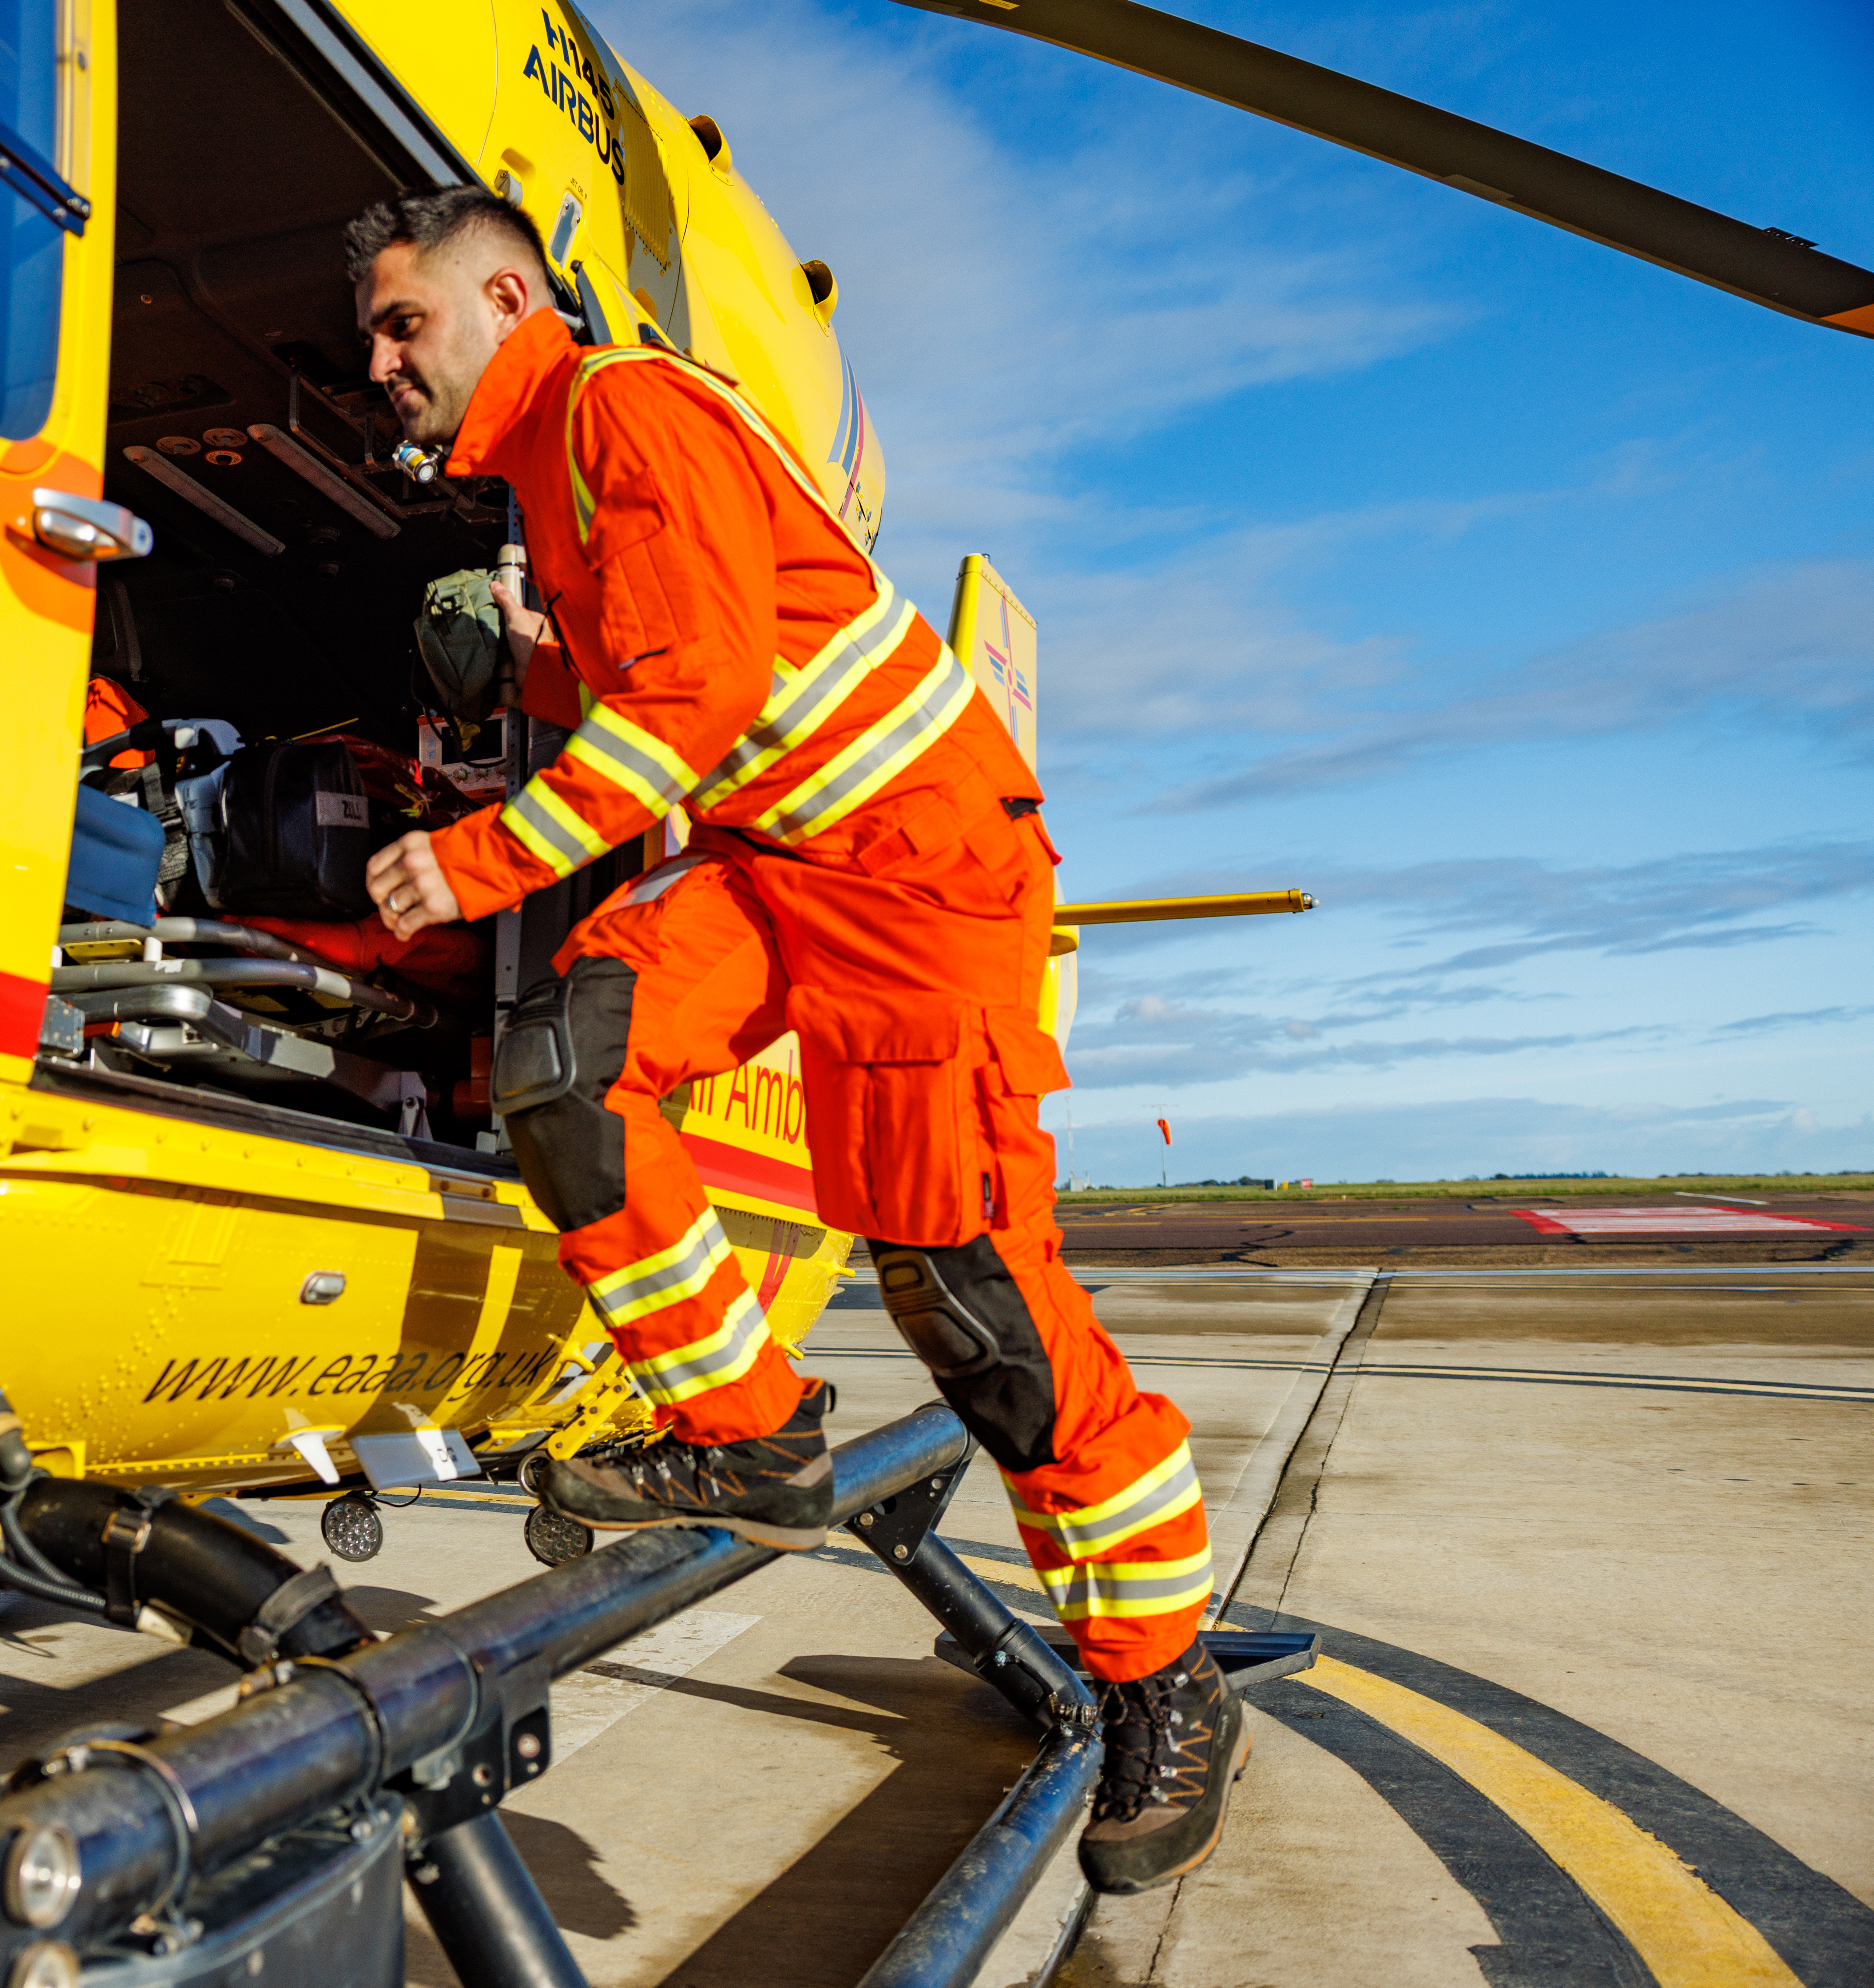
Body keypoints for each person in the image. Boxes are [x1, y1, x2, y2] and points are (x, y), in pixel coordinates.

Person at [342, 188, 1243, 1895]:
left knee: (970, 1300)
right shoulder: (536, 486)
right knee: (564, 1073)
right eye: (372, 337)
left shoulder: (623, 409)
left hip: (914, 872)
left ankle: (1161, 1677)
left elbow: (690, 700)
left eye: (405, 324)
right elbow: (663, 688)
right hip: (768, 867)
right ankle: (751, 1430)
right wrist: (518, 676)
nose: (381, 361)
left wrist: (468, 859)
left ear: (507, 296)